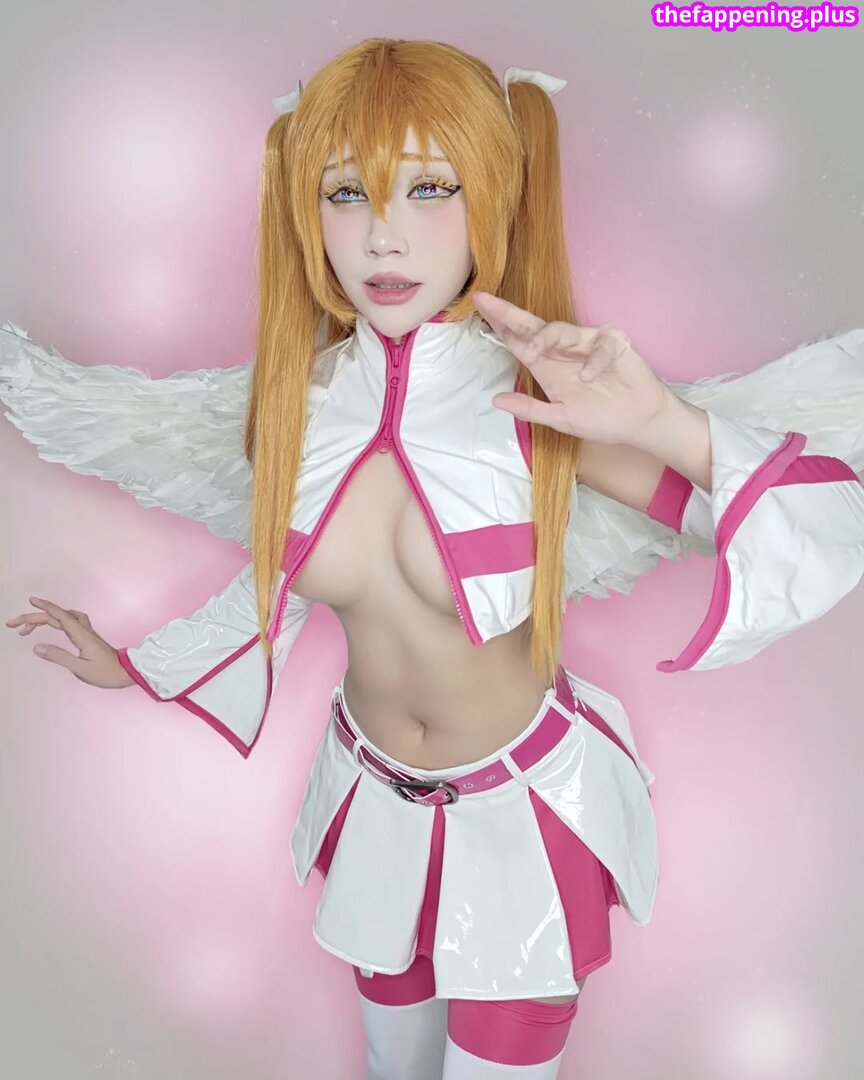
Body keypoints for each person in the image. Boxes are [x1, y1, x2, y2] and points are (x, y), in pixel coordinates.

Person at [3, 37, 864, 1080]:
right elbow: (272, 585)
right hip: (372, 805)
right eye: (346, 193)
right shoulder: (295, 408)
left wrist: (665, 424)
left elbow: (785, 518)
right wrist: (136, 665)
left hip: (526, 817)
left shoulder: (537, 398)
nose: (383, 235)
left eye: (429, 188)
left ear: (493, 194)